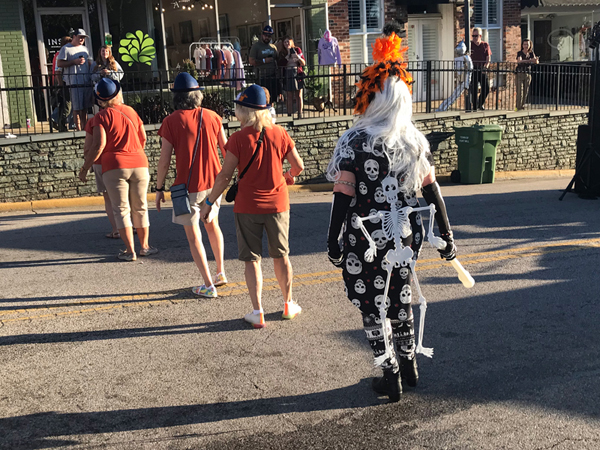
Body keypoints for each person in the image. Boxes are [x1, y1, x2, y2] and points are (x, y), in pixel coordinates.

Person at [326, 32, 458, 402]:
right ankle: (409, 361)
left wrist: (332, 239)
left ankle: (390, 373)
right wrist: (447, 234)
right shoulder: (413, 140)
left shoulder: (356, 142)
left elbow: (343, 194)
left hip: (364, 239)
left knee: (373, 302)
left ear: (371, 99)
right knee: (399, 295)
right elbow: (431, 189)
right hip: (404, 235)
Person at [200, 85, 304, 328]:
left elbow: (224, 176)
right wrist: (287, 177)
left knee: (252, 259)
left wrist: (209, 202)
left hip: (247, 206)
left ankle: (258, 312)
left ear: (244, 111)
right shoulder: (281, 133)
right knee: (281, 255)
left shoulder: (237, 139)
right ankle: (288, 304)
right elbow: (298, 167)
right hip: (277, 205)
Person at [155, 73, 229, 298]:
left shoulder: (170, 122)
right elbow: (226, 150)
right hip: (214, 183)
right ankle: (220, 272)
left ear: (176, 97)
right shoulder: (213, 116)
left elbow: (165, 160)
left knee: (193, 235)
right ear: (198, 95)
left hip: (187, 188)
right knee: (212, 225)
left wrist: (159, 189)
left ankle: (208, 285)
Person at [78, 78, 157, 261]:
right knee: (141, 207)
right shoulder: (130, 111)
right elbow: (142, 137)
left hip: (114, 165)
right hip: (138, 162)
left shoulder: (100, 117)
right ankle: (145, 246)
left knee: (121, 209)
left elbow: (98, 145)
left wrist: (85, 168)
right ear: (118, 93)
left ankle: (130, 251)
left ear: (99, 99)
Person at [56, 28, 94, 131]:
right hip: (74, 82)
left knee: (85, 108)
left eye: (84, 38)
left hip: (86, 81)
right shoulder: (66, 48)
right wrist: (74, 62)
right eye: (80, 37)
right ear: (74, 37)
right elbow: (59, 64)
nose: (82, 39)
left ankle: (85, 129)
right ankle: (78, 129)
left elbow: (90, 63)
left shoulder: (85, 49)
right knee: (77, 108)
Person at [249, 26, 279, 106]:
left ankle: (271, 113)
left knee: (272, 98)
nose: (267, 38)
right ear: (262, 35)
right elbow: (251, 61)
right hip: (261, 76)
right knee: (262, 98)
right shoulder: (256, 46)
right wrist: (263, 61)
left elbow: (277, 59)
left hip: (272, 76)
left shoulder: (273, 47)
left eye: (269, 36)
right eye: (265, 35)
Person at [277, 36, 306, 119]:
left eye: (288, 41)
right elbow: (280, 64)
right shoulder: (282, 53)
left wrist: (298, 57)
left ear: (292, 42)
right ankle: (289, 115)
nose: (287, 43)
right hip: (288, 73)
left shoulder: (297, 50)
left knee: (299, 95)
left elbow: (303, 63)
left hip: (297, 73)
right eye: (285, 42)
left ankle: (300, 113)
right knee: (289, 95)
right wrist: (287, 56)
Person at [51, 36, 73, 132]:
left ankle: (59, 122)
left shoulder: (60, 54)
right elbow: (57, 70)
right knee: (67, 104)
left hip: (63, 81)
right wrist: (60, 84)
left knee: (63, 104)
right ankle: (59, 122)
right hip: (63, 82)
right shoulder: (61, 55)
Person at [469, 27, 491, 111]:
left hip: (482, 68)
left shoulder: (485, 45)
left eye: (476, 36)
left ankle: (480, 103)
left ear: (480, 36)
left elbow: (488, 57)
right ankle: (474, 107)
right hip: (473, 68)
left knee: (486, 88)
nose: (474, 38)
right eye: (473, 36)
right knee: (474, 89)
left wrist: (486, 67)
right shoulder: (470, 44)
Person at [516, 39, 539, 111]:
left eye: (527, 44)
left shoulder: (531, 53)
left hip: (528, 73)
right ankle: (518, 107)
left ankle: (522, 106)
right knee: (520, 91)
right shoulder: (520, 53)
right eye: (524, 44)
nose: (526, 46)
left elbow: (536, 61)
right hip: (519, 73)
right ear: (522, 45)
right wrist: (529, 60)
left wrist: (535, 60)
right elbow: (519, 61)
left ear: (530, 45)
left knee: (526, 91)